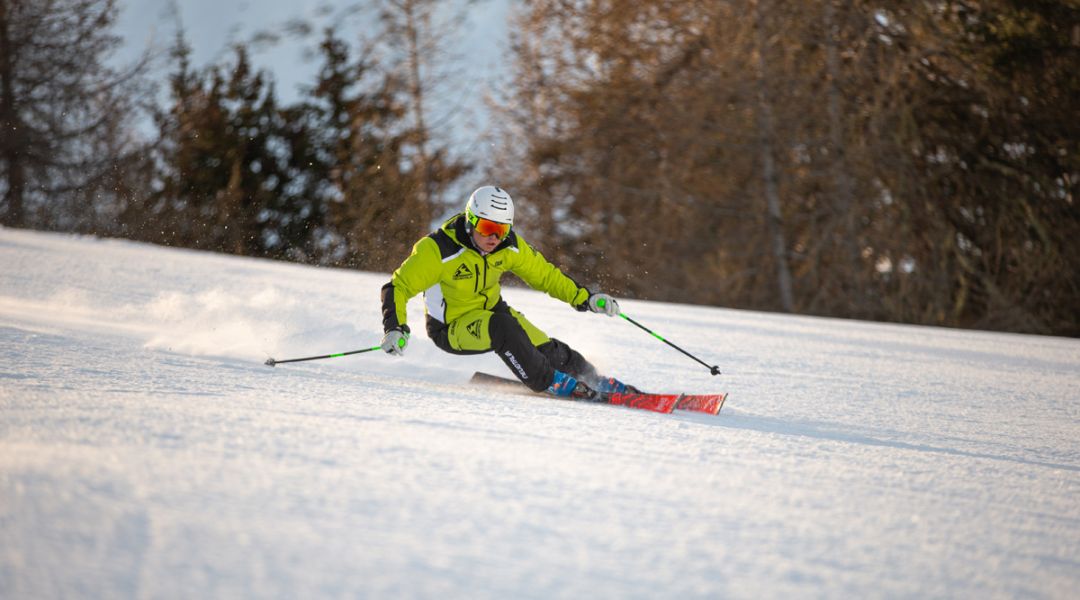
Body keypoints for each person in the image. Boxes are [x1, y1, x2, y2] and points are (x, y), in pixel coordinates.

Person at [379, 186, 632, 399]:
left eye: (501, 230)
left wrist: (587, 298)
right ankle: (549, 381)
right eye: (487, 227)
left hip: (492, 311)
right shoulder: (437, 250)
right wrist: (394, 328)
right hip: (451, 327)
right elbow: (397, 287)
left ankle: (593, 379)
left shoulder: (508, 246)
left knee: (545, 346)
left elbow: (545, 275)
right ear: (470, 221)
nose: (494, 237)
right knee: (504, 328)